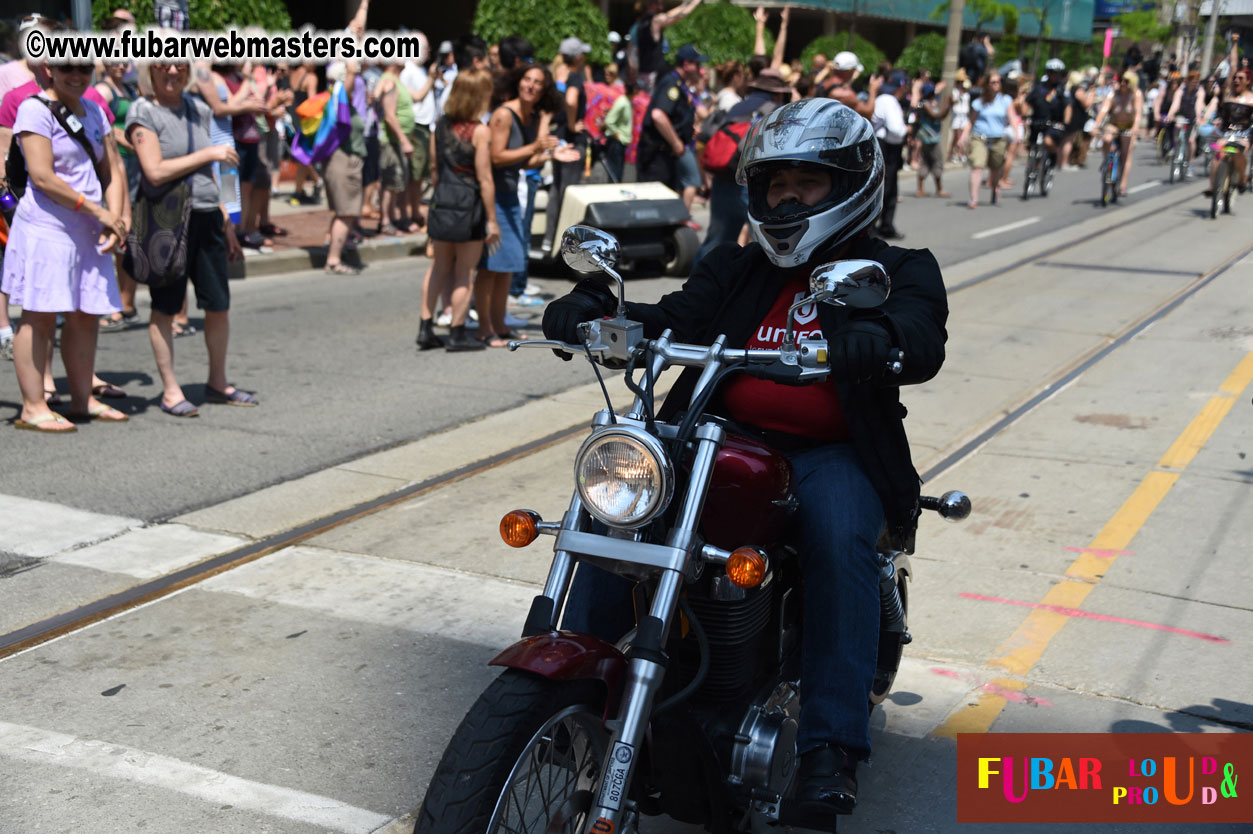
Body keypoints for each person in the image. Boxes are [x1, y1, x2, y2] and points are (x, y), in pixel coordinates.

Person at [542, 97, 947, 819]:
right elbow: (673, 318)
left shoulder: (897, 268)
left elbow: (919, 335)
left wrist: (879, 338)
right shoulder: (738, 267)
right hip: (716, 437)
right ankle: (561, 694)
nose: (787, 200)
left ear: (851, 186)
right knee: (618, 515)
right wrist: (597, 310)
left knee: (839, 536)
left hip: (829, 452)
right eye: (775, 184)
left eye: (807, 184)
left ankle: (828, 749)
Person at [3, 59, 129, 433]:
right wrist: (98, 211)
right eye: (66, 67)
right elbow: (42, 176)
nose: (76, 75)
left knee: (85, 313)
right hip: (47, 228)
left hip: (88, 230)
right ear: (49, 70)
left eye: (84, 68)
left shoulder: (95, 111)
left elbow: (112, 170)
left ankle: (82, 398)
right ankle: (33, 407)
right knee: (39, 315)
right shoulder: (34, 110)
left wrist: (115, 218)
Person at [126, 60, 250, 416]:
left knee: (218, 304)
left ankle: (218, 381)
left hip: (208, 214)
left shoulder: (198, 108)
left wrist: (227, 216)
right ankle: (170, 391)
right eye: (163, 64)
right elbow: (154, 170)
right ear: (150, 70)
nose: (172, 71)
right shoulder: (143, 111)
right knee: (166, 307)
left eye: (179, 63)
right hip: (166, 219)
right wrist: (207, 154)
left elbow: (220, 164)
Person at [478, 63, 559, 347]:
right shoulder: (504, 114)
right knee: (491, 267)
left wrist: (551, 155)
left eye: (538, 83)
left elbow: (522, 162)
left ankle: (499, 325)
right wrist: (535, 147)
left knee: (508, 266)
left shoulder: (528, 115)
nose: (531, 86)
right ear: (518, 82)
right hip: (495, 198)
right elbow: (497, 157)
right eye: (527, 79)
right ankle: (485, 328)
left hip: (511, 196)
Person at [419, 71, 499, 352]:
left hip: (442, 200)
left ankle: (425, 326)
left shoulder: (440, 126)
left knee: (438, 267)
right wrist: (492, 220)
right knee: (465, 271)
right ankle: (457, 331)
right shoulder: (480, 131)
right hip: (469, 205)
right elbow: (485, 178)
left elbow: (434, 168)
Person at [695, 67, 790, 265]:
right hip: (752, 182)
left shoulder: (738, 107)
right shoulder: (774, 110)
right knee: (766, 240)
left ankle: (699, 278)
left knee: (717, 239)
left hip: (723, 177)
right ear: (778, 93)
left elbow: (708, 135)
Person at [636, 44, 707, 192]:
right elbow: (658, 115)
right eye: (697, 64)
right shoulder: (672, 83)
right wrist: (676, 142)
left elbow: (675, 116)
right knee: (655, 198)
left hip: (665, 155)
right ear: (686, 64)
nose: (699, 69)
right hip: (657, 155)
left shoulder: (680, 84)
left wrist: (688, 129)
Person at [965, 72, 1013, 209]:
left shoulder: (1005, 100)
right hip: (980, 138)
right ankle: (974, 199)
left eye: (998, 82)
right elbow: (971, 121)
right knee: (977, 166)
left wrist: (1016, 133)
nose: (996, 85)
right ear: (987, 84)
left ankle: (995, 188)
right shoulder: (979, 102)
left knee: (996, 167)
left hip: (998, 138)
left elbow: (1012, 117)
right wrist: (963, 137)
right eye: (993, 82)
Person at [631, 0, 704, 88]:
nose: (662, 7)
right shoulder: (655, 21)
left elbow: (670, 14)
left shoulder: (641, 23)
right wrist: (695, 3)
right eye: (660, 3)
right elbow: (679, 15)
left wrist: (687, 4)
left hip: (645, 74)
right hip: (652, 77)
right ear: (652, 4)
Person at [1093, 70, 1143, 197]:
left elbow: (1138, 113)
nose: (1122, 83)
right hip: (1114, 124)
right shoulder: (1113, 93)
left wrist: (1135, 127)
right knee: (1106, 139)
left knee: (1126, 152)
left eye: (1125, 81)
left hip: (1128, 126)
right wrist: (1096, 125)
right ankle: (1107, 162)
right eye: (1121, 80)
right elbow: (1104, 110)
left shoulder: (1136, 94)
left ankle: (1122, 185)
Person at [872, 71, 908, 239]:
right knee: (887, 188)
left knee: (886, 187)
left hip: (883, 146)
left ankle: (883, 226)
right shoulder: (889, 100)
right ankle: (881, 227)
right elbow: (896, 129)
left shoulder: (881, 99)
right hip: (887, 147)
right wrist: (906, 130)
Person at [1164, 69, 1208, 177]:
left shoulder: (1200, 91)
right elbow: (1176, 103)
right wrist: (1170, 114)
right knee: (1178, 126)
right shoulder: (1181, 90)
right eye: (1192, 81)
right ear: (1187, 81)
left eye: (1196, 81)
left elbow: (1198, 105)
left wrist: (1198, 117)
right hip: (1182, 114)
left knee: (1191, 140)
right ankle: (1175, 147)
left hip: (1193, 116)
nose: (1194, 83)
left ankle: (1189, 163)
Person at [1025, 59, 1068, 166]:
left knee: (1048, 141)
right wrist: (1025, 116)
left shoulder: (1062, 90)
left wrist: (1066, 123)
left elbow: (1068, 107)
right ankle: (1034, 165)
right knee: (1031, 144)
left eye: (1057, 73)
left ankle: (1053, 155)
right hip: (1037, 120)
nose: (1054, 75)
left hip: (1054, 123)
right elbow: (1027, 102)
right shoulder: (1038, 87)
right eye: (1051, 72)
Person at [914, 81, 952, 197]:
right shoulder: (925, 104)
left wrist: (948, 106)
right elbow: (937, 116)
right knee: (936, 161)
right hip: (930, 138)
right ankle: (938, 189)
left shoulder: (931, 103)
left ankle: (922, 188)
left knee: (927, 162)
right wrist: (947, 105)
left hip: (931, 137)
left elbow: (941, 116)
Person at [816, 51, 880, 119]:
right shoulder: (846, 95)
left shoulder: (825, 83)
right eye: (854, 70)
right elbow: (868, 113)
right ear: (850, 70)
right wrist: (873, 90)